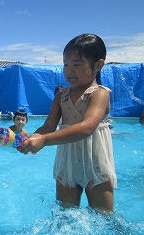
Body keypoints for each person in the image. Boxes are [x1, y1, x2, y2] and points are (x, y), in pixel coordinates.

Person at [18, 33, 117, 213]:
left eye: (77, 64)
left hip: (96, 164)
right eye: (65, 64)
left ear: (98, 65)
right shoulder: (61, 96)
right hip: (67, 164)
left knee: (104, 218)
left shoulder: (99, 94)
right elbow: (48, 127)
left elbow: (87, 128)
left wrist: (45, 140)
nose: (69, 70)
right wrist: (31, 138)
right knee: (64, 216)